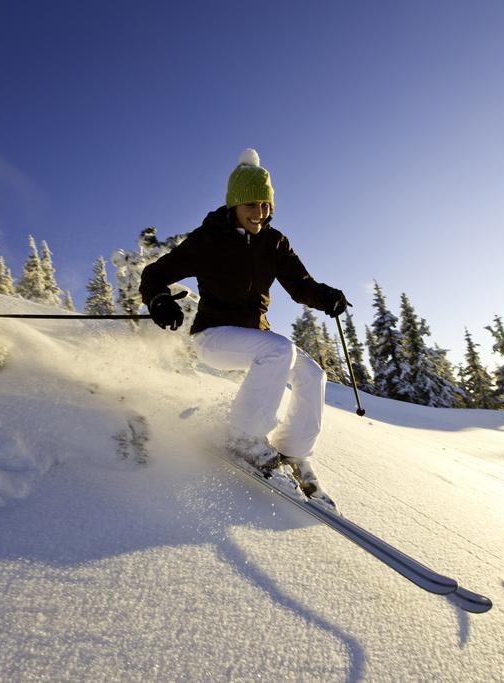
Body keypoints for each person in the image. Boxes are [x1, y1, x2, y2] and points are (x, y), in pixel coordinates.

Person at [139, 149, 348, 509]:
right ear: (235, 203)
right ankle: (245, 438)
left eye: (266, 205)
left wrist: (326, 296)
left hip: (255, 337)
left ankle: (294, 451)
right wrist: (158, 299)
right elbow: (154, 274)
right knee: (279, 350)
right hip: (214, 335)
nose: (260, 213)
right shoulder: (209, 239)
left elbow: (300, 285)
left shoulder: (274, 242)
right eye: (251, 204)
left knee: (313, 374)